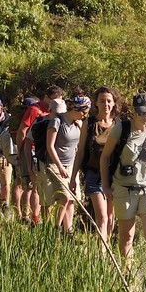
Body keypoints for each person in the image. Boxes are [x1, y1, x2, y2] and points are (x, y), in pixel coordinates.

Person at [102, 92, 146, 267]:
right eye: (142, 113)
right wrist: (105, 185)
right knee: (126, 236)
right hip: (124, 188)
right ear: (134, 111)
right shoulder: (121, 129)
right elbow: (105, 157)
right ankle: (128, 275)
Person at [76, 87, 119, 241]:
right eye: (102, 101)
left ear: (114, 103)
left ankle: (106, 250)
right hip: (93, 174)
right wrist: (73, 176)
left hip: (113, 175)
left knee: (110, 215)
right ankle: (102, 252)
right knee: (102, 216)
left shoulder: (118, 125)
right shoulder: (88, 123)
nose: (105, 104)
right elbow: (80, 151)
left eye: (109, 101)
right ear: (96, 103)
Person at [38, 95, 86, 232]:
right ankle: (56, 228)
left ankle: (68, 229)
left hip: (71, 165)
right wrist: (59, 166)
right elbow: (50, 146)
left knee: (71, 199)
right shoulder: (56, 121)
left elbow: (77, 146)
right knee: (64, 196)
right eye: (83, 111)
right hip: (55, 165)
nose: (84, 115)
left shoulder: (78, 124)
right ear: (76, 109)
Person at [16, 88, 60, 224]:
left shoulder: (53, 112)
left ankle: (34, 216)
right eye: (53, 99)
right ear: (46, 97)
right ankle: (30, 216)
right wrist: (21, 151)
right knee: (31, 185)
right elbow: (22, 131)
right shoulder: (35, 109)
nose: (55, 102)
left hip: (43, 152)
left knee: (38, 186)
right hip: (32, 150)